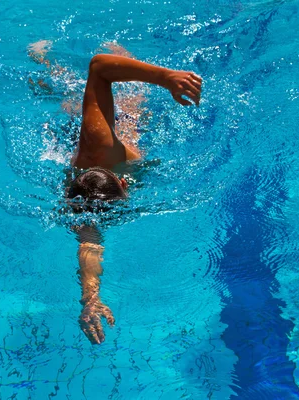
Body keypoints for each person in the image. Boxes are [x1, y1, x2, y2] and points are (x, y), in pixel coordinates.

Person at [28, 41, 202, 344]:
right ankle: (42, 63)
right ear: (122, 184)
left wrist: (166, 77)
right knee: (85, 102)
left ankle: (42, 57)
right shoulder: (85, 204)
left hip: (107, 135)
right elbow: (89, 247)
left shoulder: (102, 151)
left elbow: (98, 66)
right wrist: (90, 300)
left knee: (97, 99)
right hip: (106, 144)